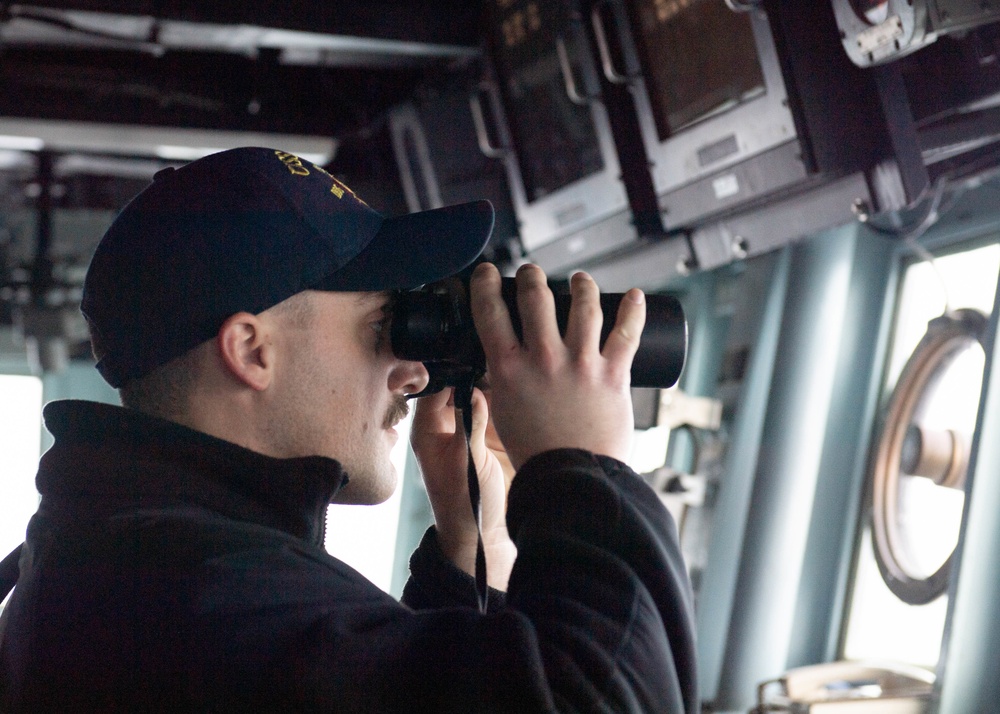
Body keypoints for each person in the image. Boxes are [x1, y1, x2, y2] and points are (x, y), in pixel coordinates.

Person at [0, 147, 697, 712]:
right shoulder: (199, 598)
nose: (416, 374)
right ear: (251, 350)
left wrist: (472, 546)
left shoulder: (128, 556)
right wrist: (582, 464)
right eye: (381, 326)